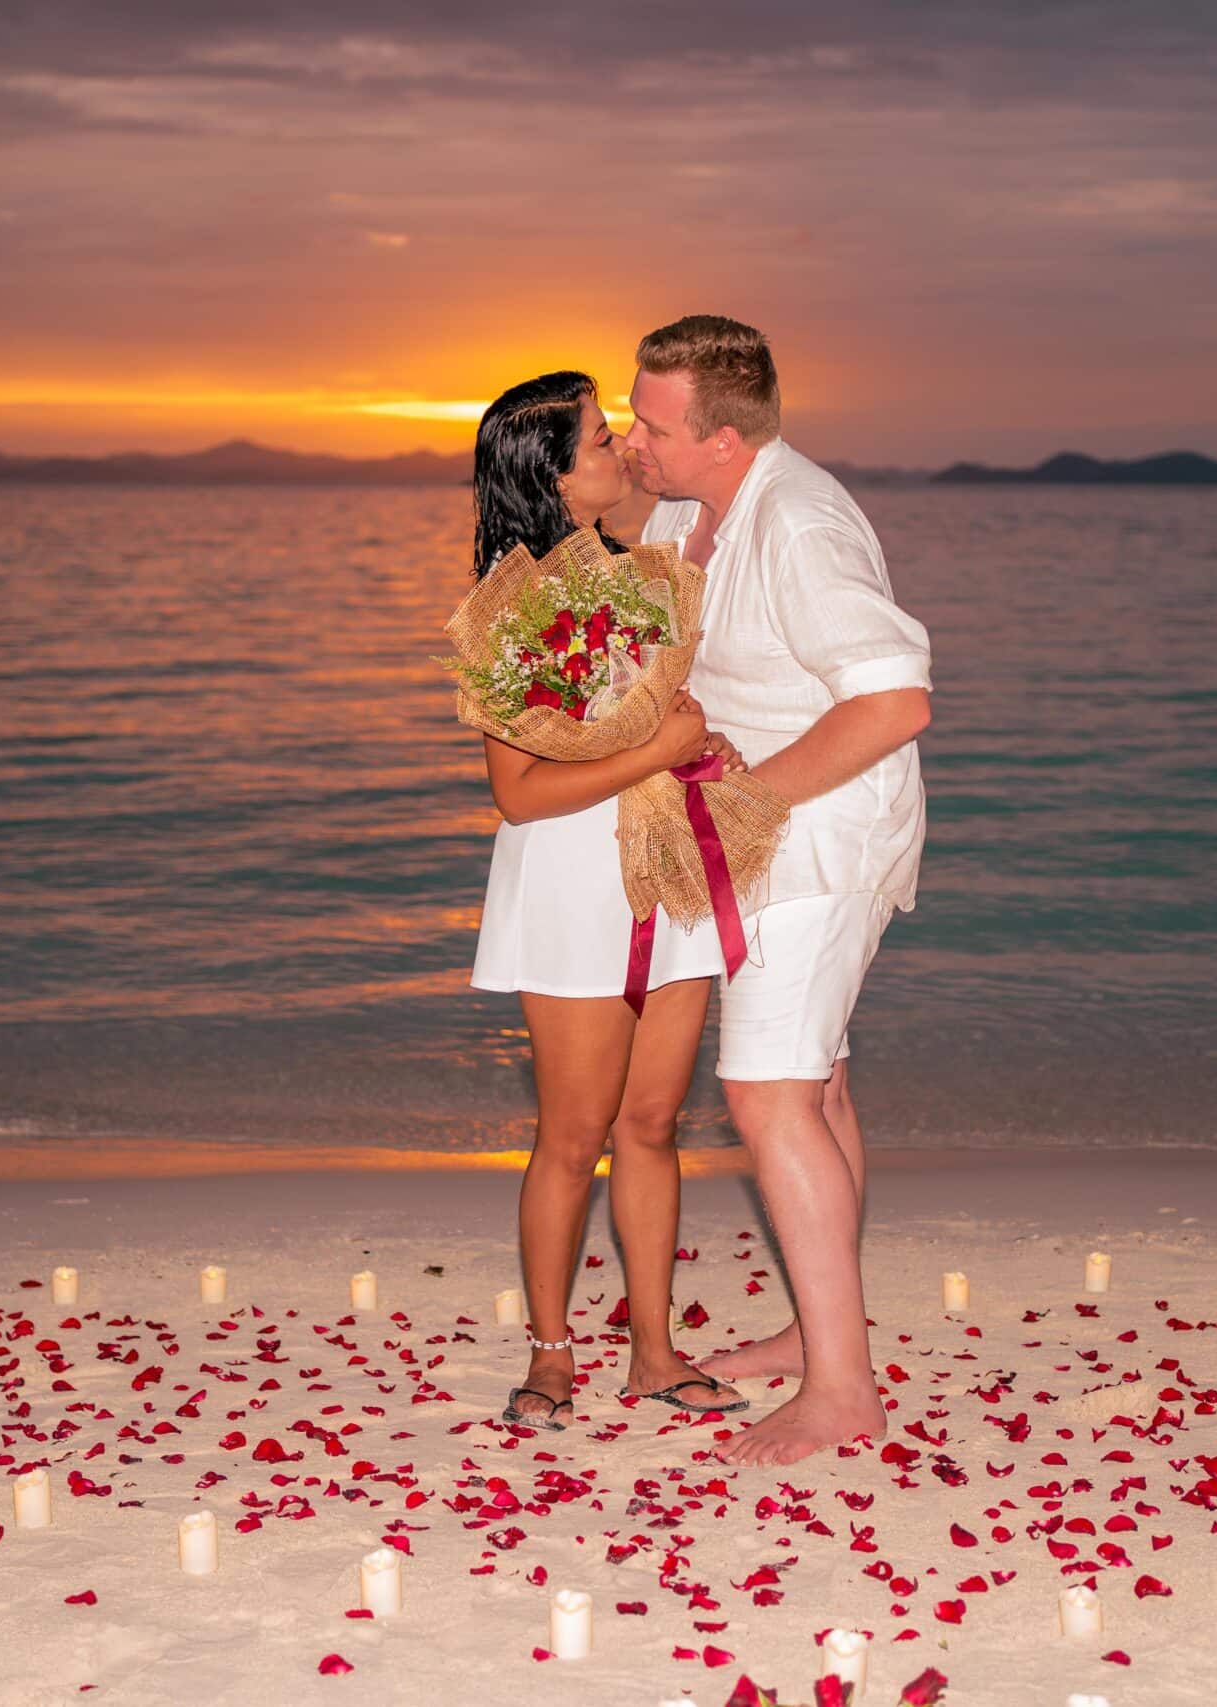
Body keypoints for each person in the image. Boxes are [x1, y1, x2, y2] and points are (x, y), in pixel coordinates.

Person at [622, 316, 934, 1467]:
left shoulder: (799, 523)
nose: (633, 439)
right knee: (819, 1083)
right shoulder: (678, 512)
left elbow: (893, 700)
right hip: (753, 836)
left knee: (764, 1094)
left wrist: (751, 803)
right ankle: (821, 1329)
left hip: (820, 836)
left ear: (722, 436)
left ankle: (842, 1392)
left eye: (651, 425)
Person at [465, 370, 750, 1430]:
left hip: (664, 870)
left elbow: (660, 721)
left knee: (650, 1124)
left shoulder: (646, 573)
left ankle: (655, 1353)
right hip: (571, 885)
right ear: (549, 474)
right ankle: (548, 1354)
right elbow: (520, 794)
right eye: (597, 440)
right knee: (570, 1133)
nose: (622, 452)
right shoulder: (510, 605)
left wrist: (693, 746)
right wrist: (653, 748)